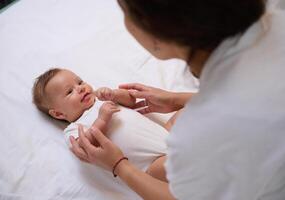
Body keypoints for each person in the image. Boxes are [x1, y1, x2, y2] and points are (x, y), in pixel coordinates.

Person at [70, 0, 285, 200]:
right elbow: (250, 97)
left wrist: (118, 165)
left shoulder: (197, 136)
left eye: (124, 12)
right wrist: (177, 98)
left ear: (156, 36)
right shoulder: (277, 17)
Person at [32, 68, 183, 182]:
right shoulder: (74, 129)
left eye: (80, 82)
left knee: (190, 108)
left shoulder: (100, 98)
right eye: (70, 91)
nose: (80, 88)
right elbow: (86, 147)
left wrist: (114, 94)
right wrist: (102, 120)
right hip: (151, 164)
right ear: (58, 114)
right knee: (180, 164)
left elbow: (131, 102)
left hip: (166, 133)